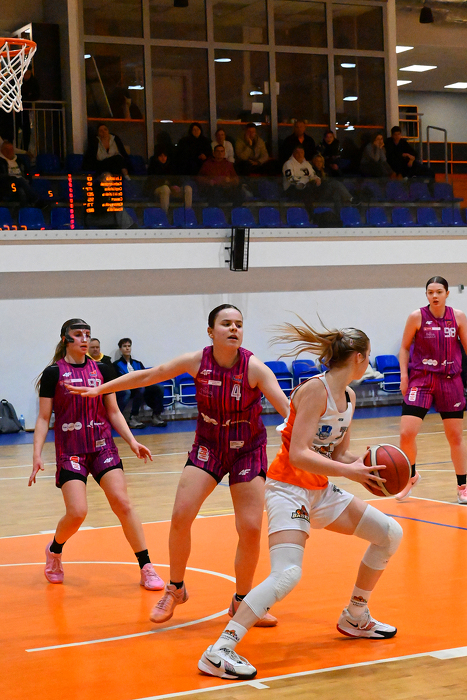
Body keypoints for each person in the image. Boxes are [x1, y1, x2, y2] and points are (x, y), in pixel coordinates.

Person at [198, 321, 403, 680]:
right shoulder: (314, 391)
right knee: (288, 573)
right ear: (358, 357)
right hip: (287, 488)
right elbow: (299, 454)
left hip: (319, 490)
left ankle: (355, 616)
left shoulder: (349, 397)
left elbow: (338, 454)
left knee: (389, 534)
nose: (368, 362)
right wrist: (349, 472)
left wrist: (377, 472)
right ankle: (219, 650)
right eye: (367, 356)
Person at [67, 304, 289, 626]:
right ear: (211, 331)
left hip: (247, 450)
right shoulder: (196, 361)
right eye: (226, 323)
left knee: (251, 528)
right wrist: (102, 388)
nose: (234, 329)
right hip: (209, 446)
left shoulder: (254, 368)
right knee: (181, 515)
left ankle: (242, 601)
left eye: (239, 324)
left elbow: (287, 410)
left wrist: (315, 442)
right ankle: (176, 588)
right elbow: (150, 375)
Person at [28, 318, 164, 591]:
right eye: (78, 334)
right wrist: (37, 454)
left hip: (103, 446)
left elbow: (113, 411)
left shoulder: (103, 369)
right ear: (66, 339)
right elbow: (43, 418)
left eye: (87, 334)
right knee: (78, 512)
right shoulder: (53, 373)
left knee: (123, 503)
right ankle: (54, 551)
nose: (84, 339)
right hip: (71, 450)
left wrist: (132, 441)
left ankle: (146, 566)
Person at [398, 276, 467, 503]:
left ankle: (463, 486)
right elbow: (404, 348)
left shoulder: (458, 317)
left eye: (439, 292)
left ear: (447, 293)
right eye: (430, 292)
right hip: (422, 380)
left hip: (450, 381)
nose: (434, 296)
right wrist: (404, 376)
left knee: (455, 437)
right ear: (426, 294)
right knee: (406, 433)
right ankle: (411, 476)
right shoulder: (417, 317)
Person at [114, 338, 168, 429]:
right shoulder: (116, 364)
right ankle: (133, 417)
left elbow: (145, 376)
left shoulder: (137, 363)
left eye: (129, 346)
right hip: (128, 387)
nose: (127, 348)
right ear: (120, 349)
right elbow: (120, 379)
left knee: (159, 388)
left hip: (141, 385)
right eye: (124, 346)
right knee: (140, 389)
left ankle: (156, 415)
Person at [147, 146, 192, 214]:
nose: (163, 158)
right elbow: (153, 182)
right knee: (165, 189)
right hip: (158, 189)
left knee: (188, 188)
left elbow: (177, 179)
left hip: (172, 189)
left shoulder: (171, 165)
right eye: (161, 156)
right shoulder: (153, 166)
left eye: (165, 156)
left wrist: (176, 186)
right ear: (157, 157)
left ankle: (187, 213)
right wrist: (169, 185)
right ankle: (164, 214)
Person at [0, 140, 42, 207]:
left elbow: (27, 173)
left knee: (21, 191)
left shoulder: (19, 160)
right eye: (7, 149)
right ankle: (36, 200)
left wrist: (27, 179)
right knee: (20, 180)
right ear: (2, 151)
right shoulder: (1, 162)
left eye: (11, 149)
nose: (10, 151)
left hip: (21, 184)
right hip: (8, 185)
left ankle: (25, 210)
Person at [19, 69, 40, 151]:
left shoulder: (33, 82)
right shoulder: (19, 81)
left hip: (26, 109)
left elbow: (36, 95)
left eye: (28, 74)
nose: (26, 76)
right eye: (25, 73)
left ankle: (24, 149)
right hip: (18, 109)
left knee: (26, 130)